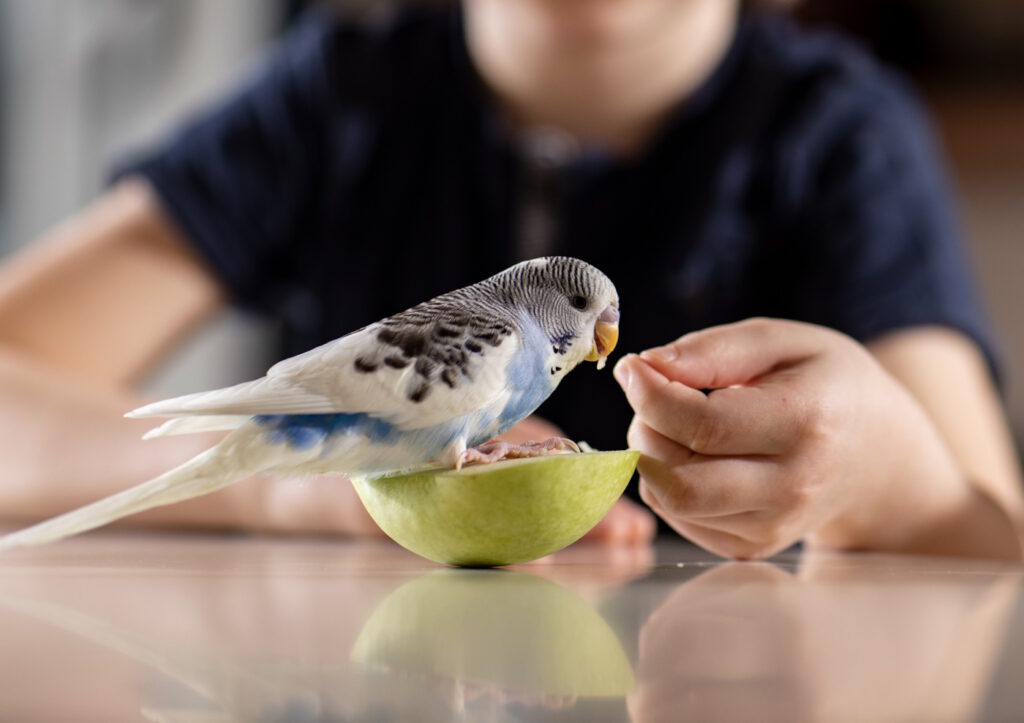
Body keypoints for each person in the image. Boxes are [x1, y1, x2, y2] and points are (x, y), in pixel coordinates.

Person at [0, 0, 1020, 558]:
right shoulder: (333, 101)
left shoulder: (843, 143)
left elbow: (987, 542)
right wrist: (311, 489)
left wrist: (879, 473)